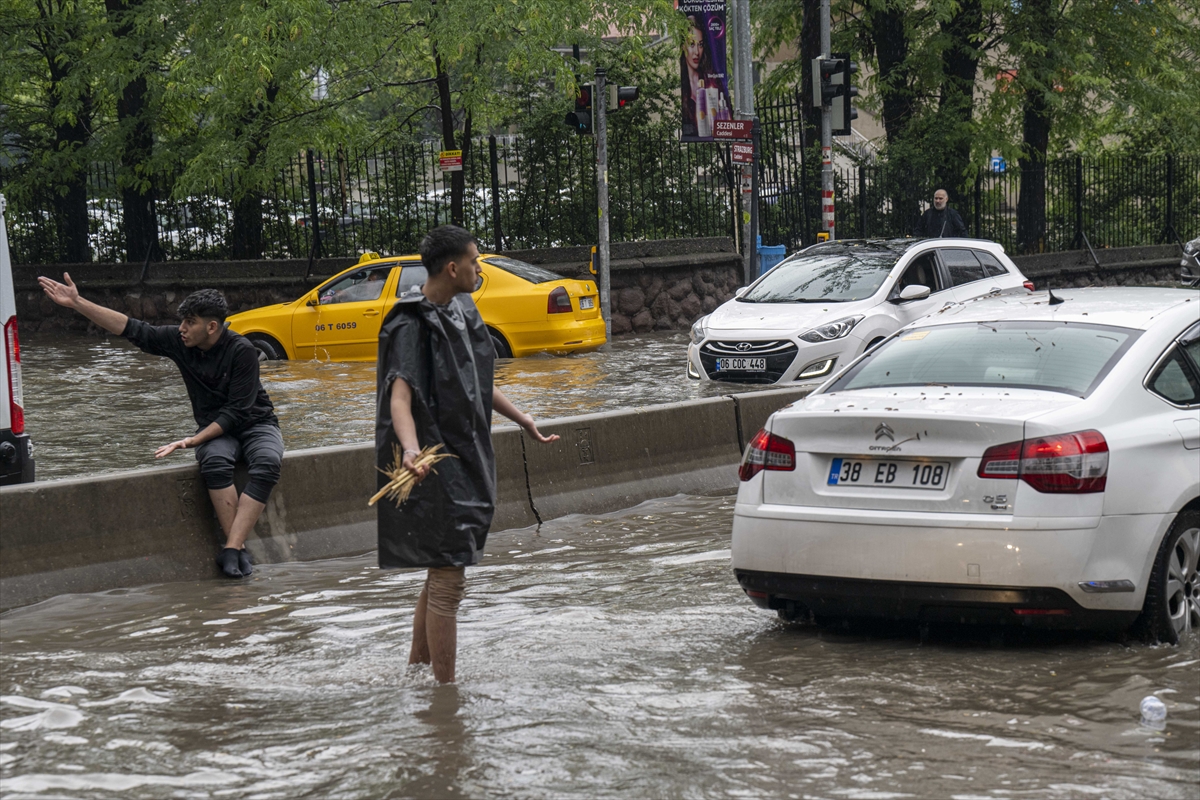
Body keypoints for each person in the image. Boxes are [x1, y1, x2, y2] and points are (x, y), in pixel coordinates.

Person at [375, 224, 558, 683]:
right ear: (453, 268)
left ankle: (418, 673)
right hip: (434, 464)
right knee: (449, 579)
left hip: (469, 454)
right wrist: (412, 449)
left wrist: (523, 419)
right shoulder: (409, 323)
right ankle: (446, 692)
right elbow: (399, 395)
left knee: (440, 570)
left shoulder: (462, 309)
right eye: (475, 261)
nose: (480, 269)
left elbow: (478, 380)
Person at [37, 278, 283, 579]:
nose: (181, 328)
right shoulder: (181, 343)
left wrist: (191, 441)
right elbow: (132, 328)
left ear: (212, 327)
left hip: (256, 424)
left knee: (268, 462)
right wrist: (78, 303)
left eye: (189, 322)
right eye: (181, 321)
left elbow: (235, 413)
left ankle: (231, 548)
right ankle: (238, 550)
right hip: (214, 430)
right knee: (215, 462)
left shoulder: (242, 350)